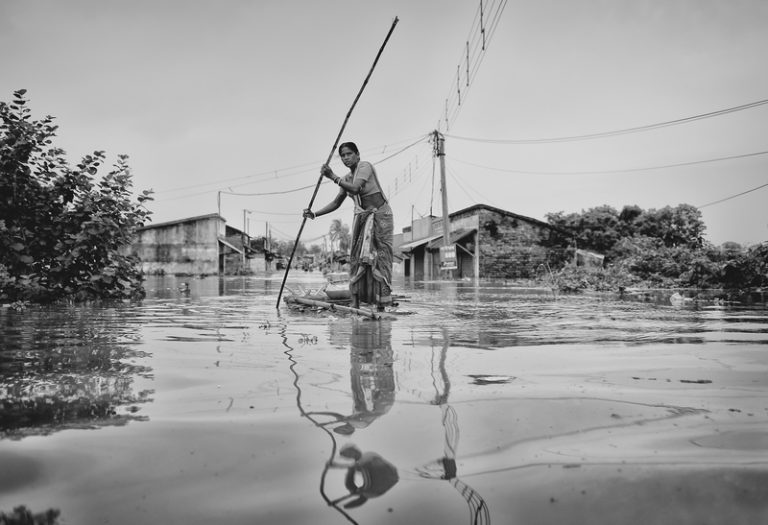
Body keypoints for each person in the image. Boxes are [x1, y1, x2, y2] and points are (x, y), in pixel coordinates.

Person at [303, 142, 394, 311]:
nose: (346, 158)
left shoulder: (365, 166)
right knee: (357, 260)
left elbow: (356, 188)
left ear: (357, 154)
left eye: (349, 154)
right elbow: (337, 202)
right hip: (361, 219)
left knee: (380, 259)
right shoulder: (345, 179)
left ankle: (382, 305)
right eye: (343, 155)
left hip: (380, 216)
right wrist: (314, 214)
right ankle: (356, 303)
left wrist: (332, 177)